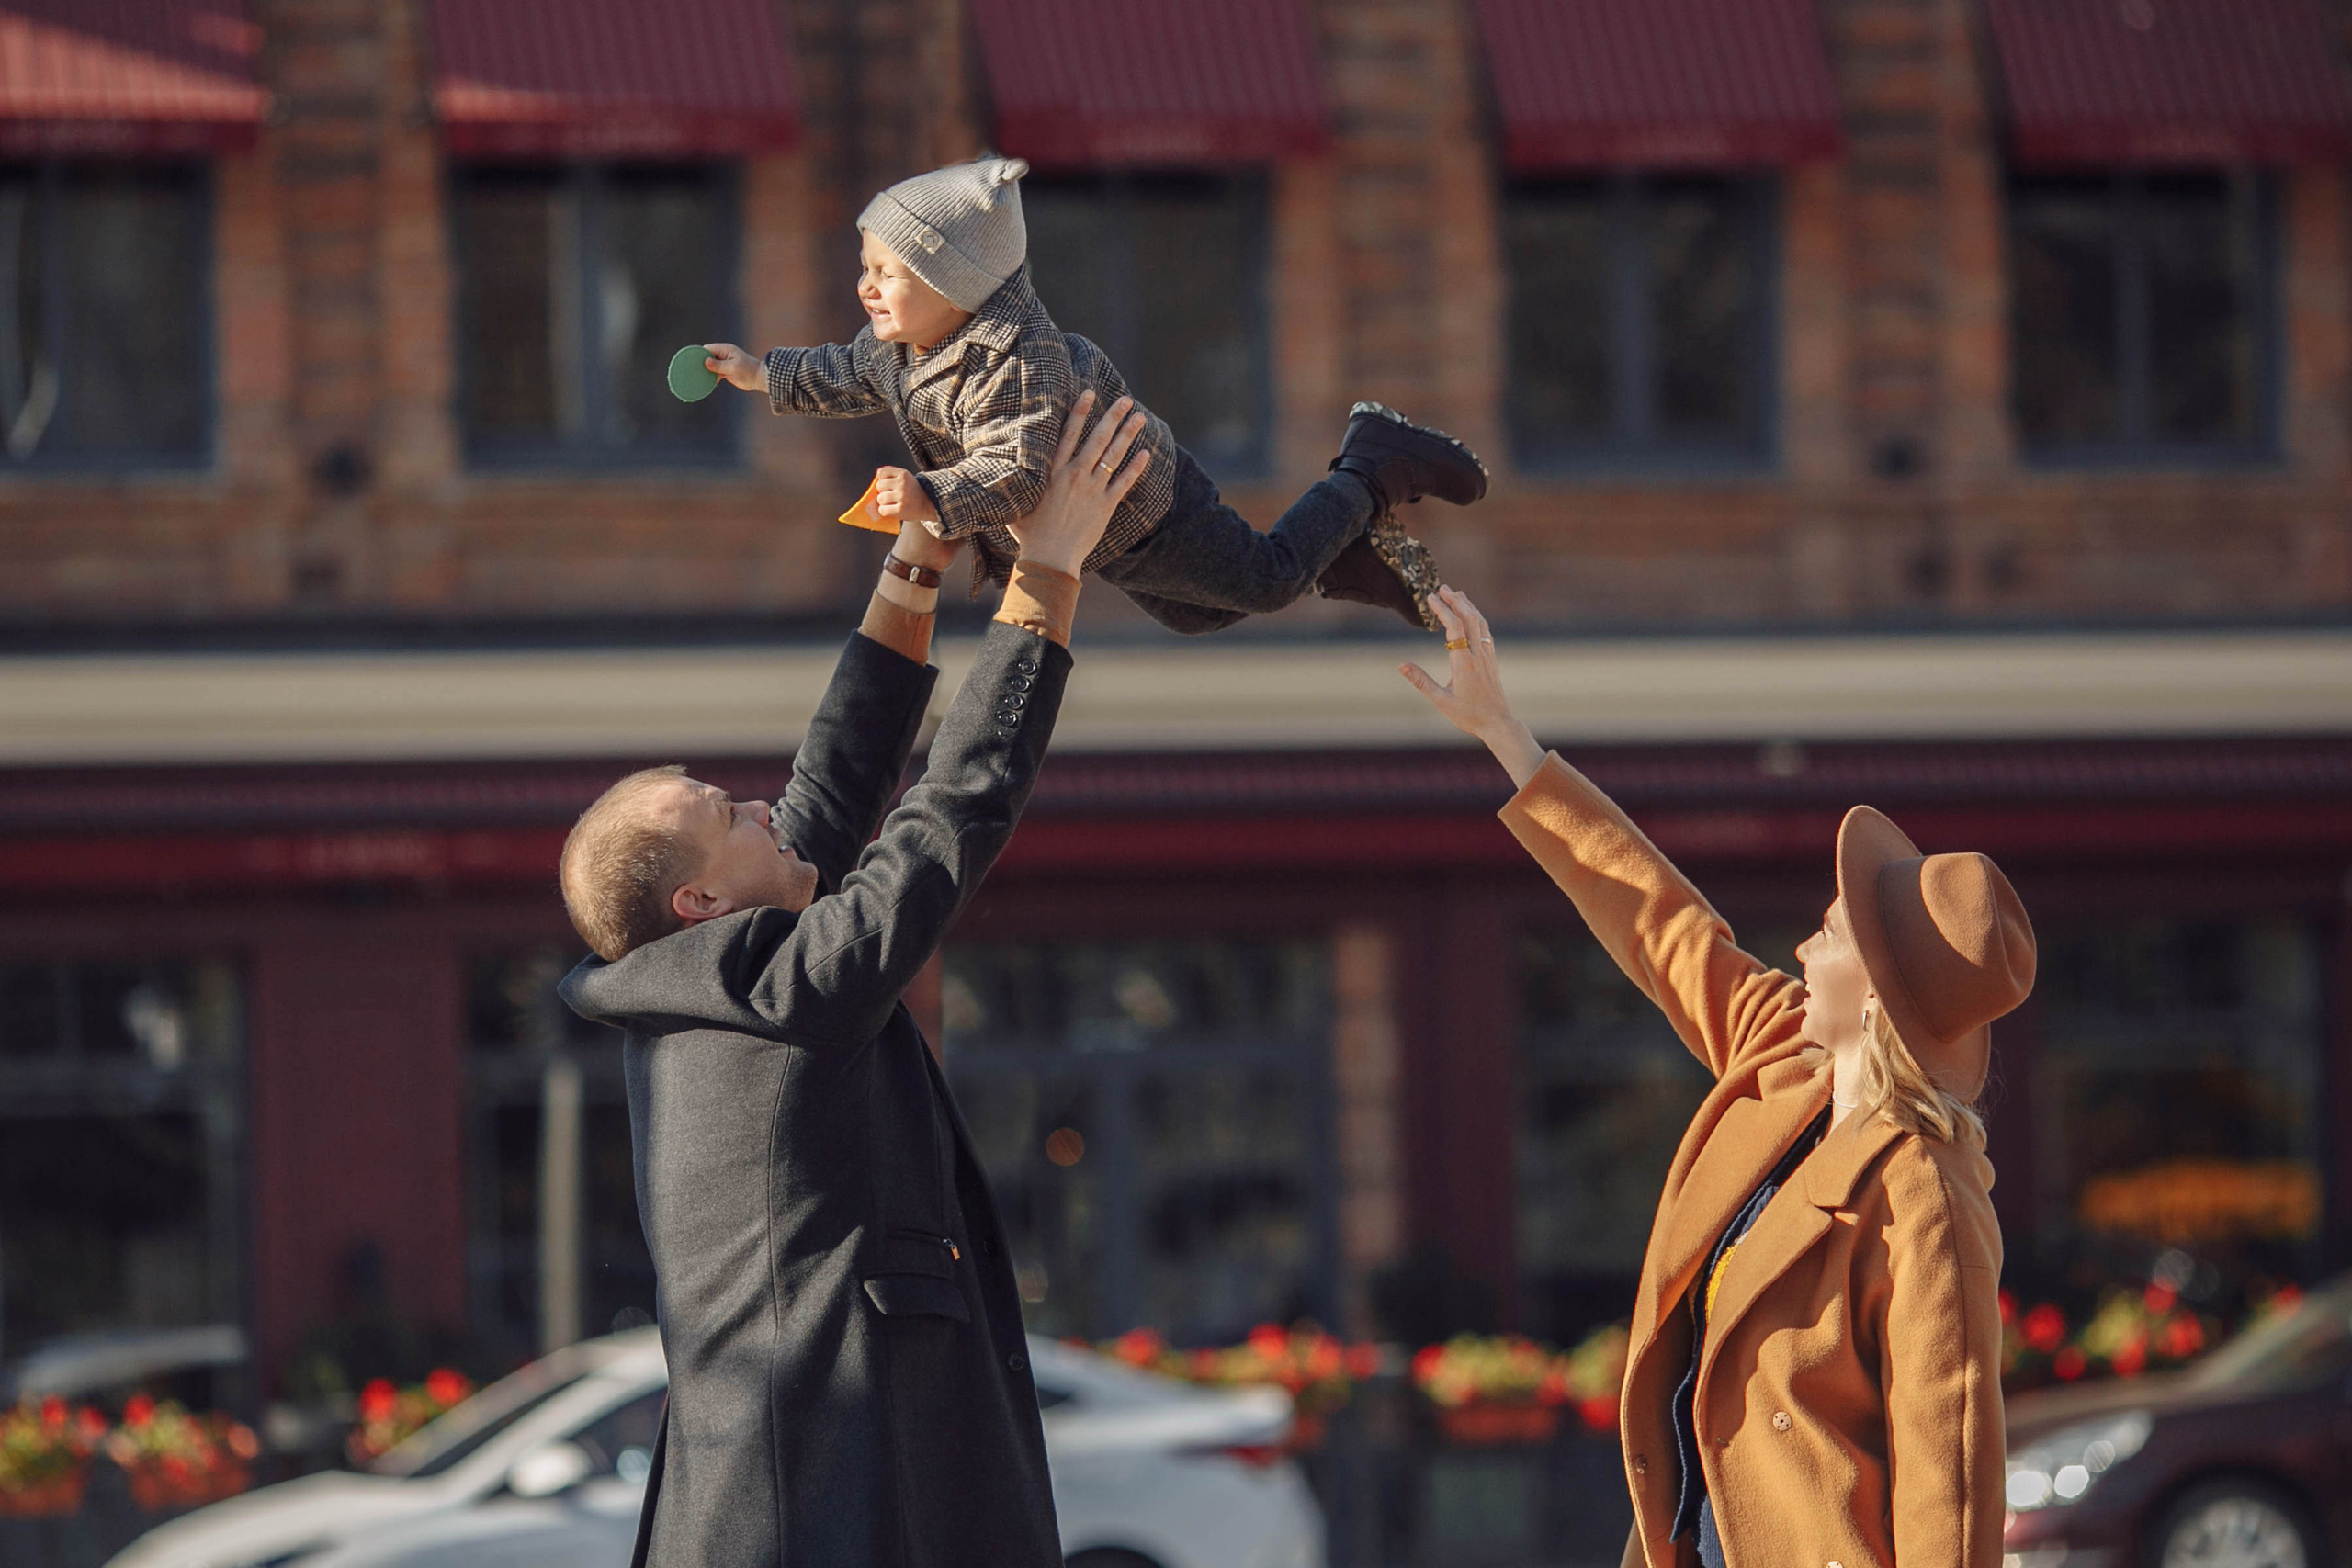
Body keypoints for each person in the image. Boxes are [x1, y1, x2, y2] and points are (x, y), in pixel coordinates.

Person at [553, 393, 1149, 1568]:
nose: (758, 804)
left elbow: (827, 795)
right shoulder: (771, 992)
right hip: (819, 1524)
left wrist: (917, 561)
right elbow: (947, 816)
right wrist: (1047, 573)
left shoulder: (720, 986)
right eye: (726, 815)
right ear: (698, 904)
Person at [1401, 587, 2035, 1568]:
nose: (1803, 948)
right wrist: (1506, 736)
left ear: (1875, 997)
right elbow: (1662, 922)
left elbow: (1948, 1487)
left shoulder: (1926, 1196)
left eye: (1828, 935)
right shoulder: (1783, 1062)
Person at [700, 154, 1487, 634]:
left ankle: (1371, 465)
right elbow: (844, 372)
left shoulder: (1019, 359)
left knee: (1266, 578)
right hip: (1102, 538)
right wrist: (761, 373)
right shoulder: (898, 347)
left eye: (887, 273)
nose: (866, 287)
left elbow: (1017, 471)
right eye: (865, 268)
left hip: (1147, 503)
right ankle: (1346, 552)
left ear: (955, 284)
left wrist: (929, 494)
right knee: (1200, 614)